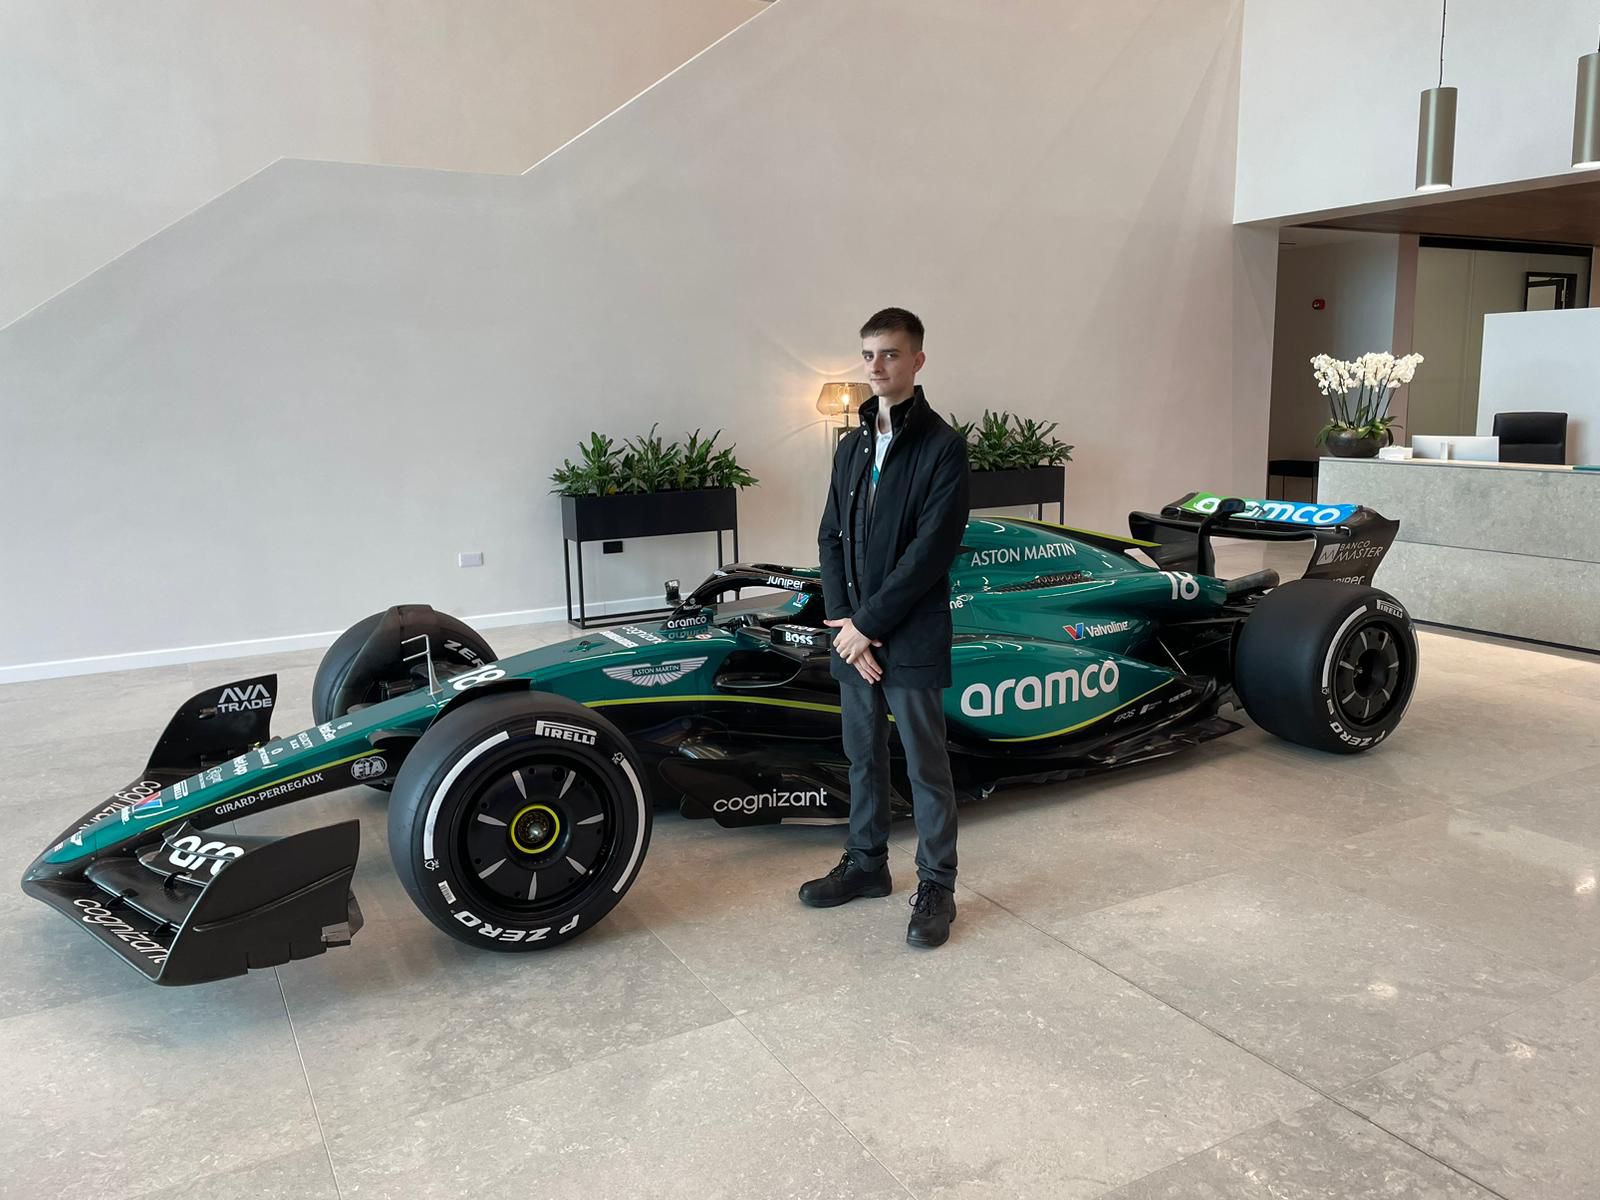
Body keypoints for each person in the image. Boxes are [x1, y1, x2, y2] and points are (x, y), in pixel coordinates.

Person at [802, 307, 970, 948]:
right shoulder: (852, 444)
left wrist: (867, 626)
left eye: (890, 354)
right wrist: (847, 619)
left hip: (910, 632)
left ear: (918, 360)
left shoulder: (942, 447)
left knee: (926, 765)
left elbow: (930, 552)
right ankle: (867, 864)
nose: (876, 366)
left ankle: (937, 886)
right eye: (868, 354)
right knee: (862, 755)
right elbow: (830, 536)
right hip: (856, 632)